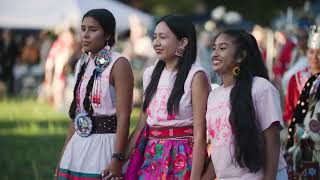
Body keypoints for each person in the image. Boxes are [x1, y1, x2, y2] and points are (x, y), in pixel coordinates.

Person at [125, 15, 210, 179]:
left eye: (163, 37)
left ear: (182, 42)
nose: (156, 42)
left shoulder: (196, 76)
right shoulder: (150, 74)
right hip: (152, 154)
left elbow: (200, 135)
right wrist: (119, 161)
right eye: (155, 36)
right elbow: (143, 124)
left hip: (183, 156)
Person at [55, 9, 133, 180]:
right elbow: (77, 114)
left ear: (107, 34)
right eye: (83, 29)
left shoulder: (119, 63)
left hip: (106, 145)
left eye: (93, 29)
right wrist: (63, 157)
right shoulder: (82, 63)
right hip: (78, 145)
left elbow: (124, 115)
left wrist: (117, 158)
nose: (85, 35)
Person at [202, 29, 287, 180]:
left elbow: (272, 140)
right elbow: (219, 147)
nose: (214, 53)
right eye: (213, 48)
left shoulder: (261, 88)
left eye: (222, 48)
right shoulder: (214, 95)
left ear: (241, 56)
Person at [283, 25, 320, 125]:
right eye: (311, 52)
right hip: (300, 136)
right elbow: (289, 112)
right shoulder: (296, 79)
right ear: (307, 52)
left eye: (319, 53)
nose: (315, 57)